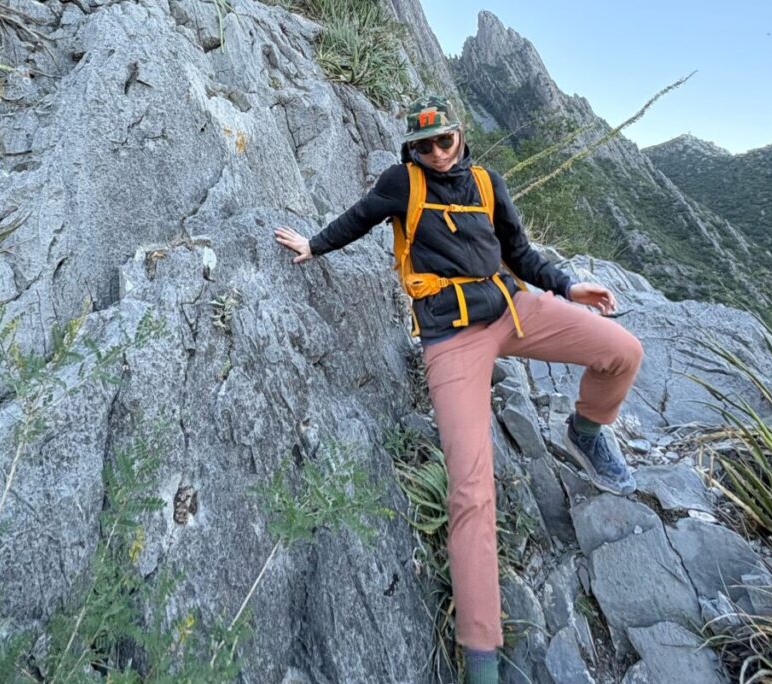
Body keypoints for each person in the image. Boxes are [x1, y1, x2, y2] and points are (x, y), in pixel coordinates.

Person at [274, 96, 643, 683]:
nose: (437, 154)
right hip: (452, 338)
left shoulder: (487, 181)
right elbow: (360, 216)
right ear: (412, 150)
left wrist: (569, 288)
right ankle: (482, 659)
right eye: (425, 146)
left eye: (444, 142)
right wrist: (313, 245)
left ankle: (586, 432)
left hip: (514, 310)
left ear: (460, 136)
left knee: (623, 351)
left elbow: (519, 252)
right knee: (472, 490)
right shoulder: (403, 182)